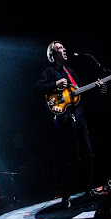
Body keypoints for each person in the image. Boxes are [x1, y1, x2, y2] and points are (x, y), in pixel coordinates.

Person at [34, 41, 100, 209]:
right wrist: (54, 85)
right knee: (69, 158)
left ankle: (89, 189)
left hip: (79, 116)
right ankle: (66, 195)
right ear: (53, 55)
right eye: (60, 49)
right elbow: (38, 88)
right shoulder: (49, 72)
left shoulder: (70, 72)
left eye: (64, 48)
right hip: (64, 119)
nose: (64, 50)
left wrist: (95, 86)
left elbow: (78, 92)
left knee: (88, 153)